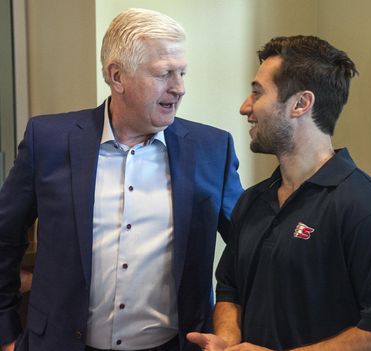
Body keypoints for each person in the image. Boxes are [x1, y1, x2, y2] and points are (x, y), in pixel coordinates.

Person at [0, 8, 243, 351]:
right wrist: (6, 334)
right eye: (164, 74)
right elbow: (4, 239)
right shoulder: (48, 140)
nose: (179, 88)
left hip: (176, 344)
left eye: (182, 73)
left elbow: (249, 247)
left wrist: (233, 330)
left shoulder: (211, 149)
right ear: (117, 77)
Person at [187, 35, 371, 350]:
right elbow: (230, 289)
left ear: (301, 104)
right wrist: (228, 342)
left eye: (257, 93)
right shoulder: (251, 201)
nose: (245, 107)